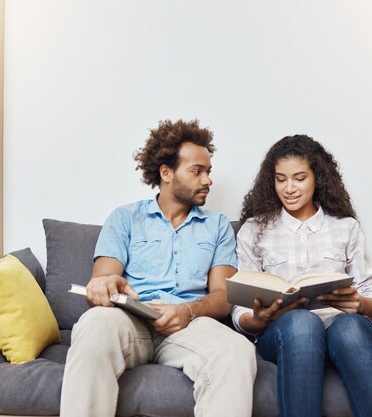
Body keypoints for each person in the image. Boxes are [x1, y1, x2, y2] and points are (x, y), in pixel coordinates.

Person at [60, 119, 256, 417]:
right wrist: (105, 285)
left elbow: (224, 295)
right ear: (166, 172)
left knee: (237, 351)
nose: (208, 180)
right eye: (197, 171)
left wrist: (187, 312)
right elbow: (102, 278)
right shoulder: (125, 218)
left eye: (209, 171)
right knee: (94, 323)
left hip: (189, 325)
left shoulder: (217, 227)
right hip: (132, 322)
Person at [231, 135, 372, 417]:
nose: (289, 188)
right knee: (301, 323)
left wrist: (360, 304)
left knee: (350, 327)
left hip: (341, 327)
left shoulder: (346, 227)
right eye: (281, 179)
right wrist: (256, 319)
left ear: (317, 178)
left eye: (299, 178)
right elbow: (240, 306)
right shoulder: (254, 229)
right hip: (284, 333)